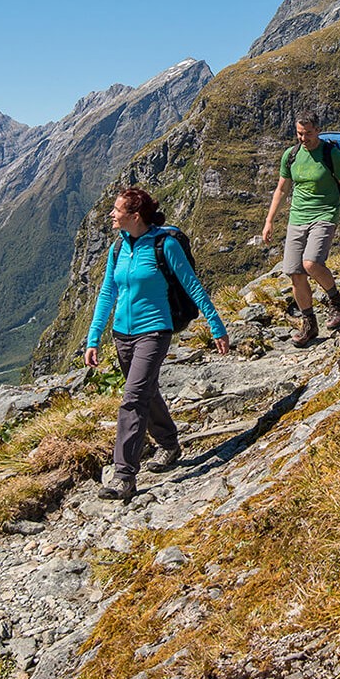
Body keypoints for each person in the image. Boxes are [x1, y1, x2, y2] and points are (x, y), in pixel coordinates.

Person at [84, 187, 229, 501]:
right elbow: (107, 294)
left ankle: (123, 475)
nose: (111, 214)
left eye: (117, 210)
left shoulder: (165, 245)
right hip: (122, 334)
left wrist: (216, 327)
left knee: (133, 398)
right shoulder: (117, 249)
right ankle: (169, 443)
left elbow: (192, 285)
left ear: (134, 216)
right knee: (145, 393)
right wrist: (93, 338)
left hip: (154, 331)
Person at [260, 113, 340, 346]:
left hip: (325, 214)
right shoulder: (291, 156)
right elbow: (281, 190)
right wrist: (269, 221)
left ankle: (336, 302)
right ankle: (309, 324)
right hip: (297, 218)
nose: (304, 138)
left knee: (311, 263)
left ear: (318, 130)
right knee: (295, 272)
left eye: (308, 133)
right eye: (300, 133)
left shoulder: (331, 154)